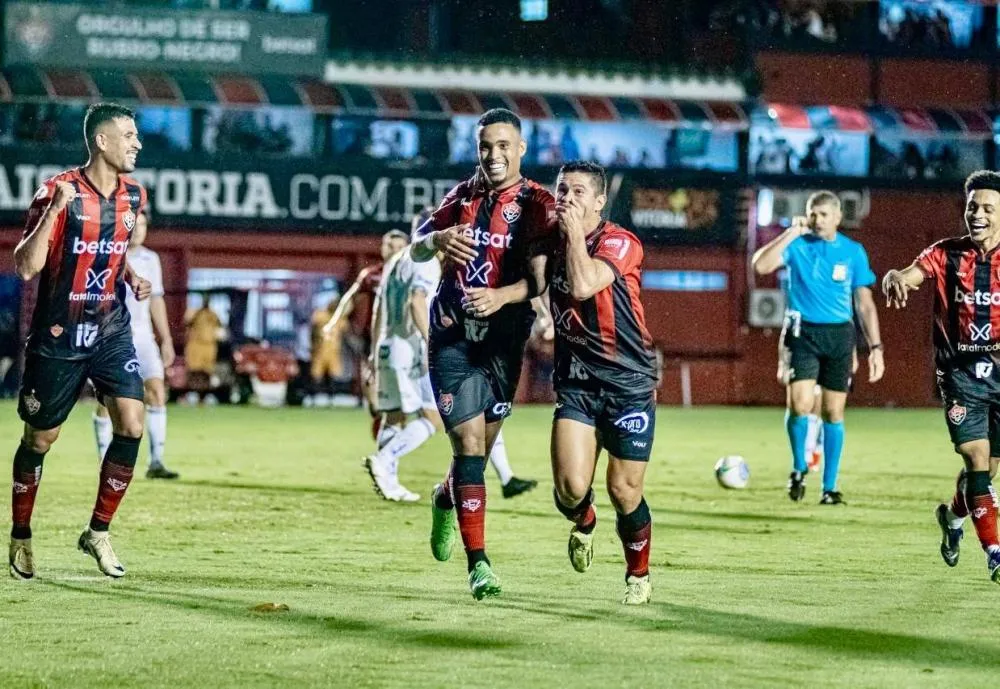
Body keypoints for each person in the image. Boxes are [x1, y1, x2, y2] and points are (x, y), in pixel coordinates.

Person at [411, 108, 555, 599]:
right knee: (469, 449)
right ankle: (480, 566)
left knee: (480, 452)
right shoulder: (463, 194)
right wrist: (436, 239)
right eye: (485, 147)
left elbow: (539, 279)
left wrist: (502, 296)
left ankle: (443, 498)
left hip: (503, 342)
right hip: (451, 335)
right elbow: (415, 245)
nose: (493, 156)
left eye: (502, 146)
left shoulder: (537, 203)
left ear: (520, 148)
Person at [9, 102, 152, 580]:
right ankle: (22, 533)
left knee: (132, 424)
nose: (137, 143)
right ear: (102, 141)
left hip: (110, 328)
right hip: (59, 334)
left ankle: (98, 531)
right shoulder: (57, 191)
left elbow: (109, 251)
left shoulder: (135, 196)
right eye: (129, 135)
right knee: (41, 438)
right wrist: (55, 210)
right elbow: (26, 266)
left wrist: (129, 274)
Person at [363, 210, 539, 504]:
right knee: (434, 418)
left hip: (388, 345)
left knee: (393, 416)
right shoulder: (427, 262)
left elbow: (380, 309)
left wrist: (373, 348)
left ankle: (388, 478)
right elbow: (417, 302)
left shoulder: (395, 261)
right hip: (413, 349)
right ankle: (384, 459)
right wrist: (434, 342)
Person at [545, 161, 659, 605]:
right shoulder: (548, 242)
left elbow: (583, 282)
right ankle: (585, 520)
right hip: (576, 382)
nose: (567, 199)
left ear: (598, 201)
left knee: (624, 490)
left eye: (577, 192)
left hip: (628, 382)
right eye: (561, 190)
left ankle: (638, 576)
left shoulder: (621, 242)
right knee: (570, 489)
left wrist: (573, 235)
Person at [883, 170, 1000, 583]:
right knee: (976, 459)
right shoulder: (945, 253)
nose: (978, 214)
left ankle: (951, 518)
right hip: (959, 375)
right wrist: (895, 277)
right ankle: (995, 552)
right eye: (973, 207)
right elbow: (908, 274)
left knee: (986, 472)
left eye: (988, 207)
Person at [752, 190, 885, 504]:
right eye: (813, 213)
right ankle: (799, 468)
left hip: (840, 336)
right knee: (799, 404)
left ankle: (830, 487)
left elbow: (864, 303)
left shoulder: (853, 252)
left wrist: (875, 347)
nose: (818, 219)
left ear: (838, 217)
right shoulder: (797, 245)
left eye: (825, 214)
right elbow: (761, 266)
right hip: (803, 332)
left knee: (833, 412)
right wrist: (790, 232)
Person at [93, 207, 179, 479]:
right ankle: (104, 461)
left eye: (143, 225)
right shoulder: (106, 256)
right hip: (111, 337)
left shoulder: (151, 259)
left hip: (142, 336)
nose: (139, 231)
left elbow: (156, 300)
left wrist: (165, 339)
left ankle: (156, 462)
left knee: (156, 390)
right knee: (108, 400)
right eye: (135, 225)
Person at [322, 229, 409, 440]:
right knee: (374, 403)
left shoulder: (415, 275)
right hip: (373, 343)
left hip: (406, 343)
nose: (394, 251)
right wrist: (334, 322)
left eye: (399, 247)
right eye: (390, 246)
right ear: (382, 248)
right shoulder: (372, 275)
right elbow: (350, 298)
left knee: (401, 403)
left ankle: (392, 449)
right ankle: (388, 441)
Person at [309, 296, 347, 407]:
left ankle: (331, 400)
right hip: (320, 350)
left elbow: (346, 331)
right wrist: (312, 344)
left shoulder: (340, 319)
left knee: (332, 377)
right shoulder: (320, 315)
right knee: (316, 376)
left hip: (333, 351)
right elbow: (313, 330)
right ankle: (313, 399)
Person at [184, 295, 222, 396]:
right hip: (196, 345)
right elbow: (187, 322)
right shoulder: (196, 313)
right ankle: (191, 393)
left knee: (207, 372)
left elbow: (219, 325)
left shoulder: (213, 314)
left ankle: (204, 395)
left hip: (209, 345)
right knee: (195, 371)